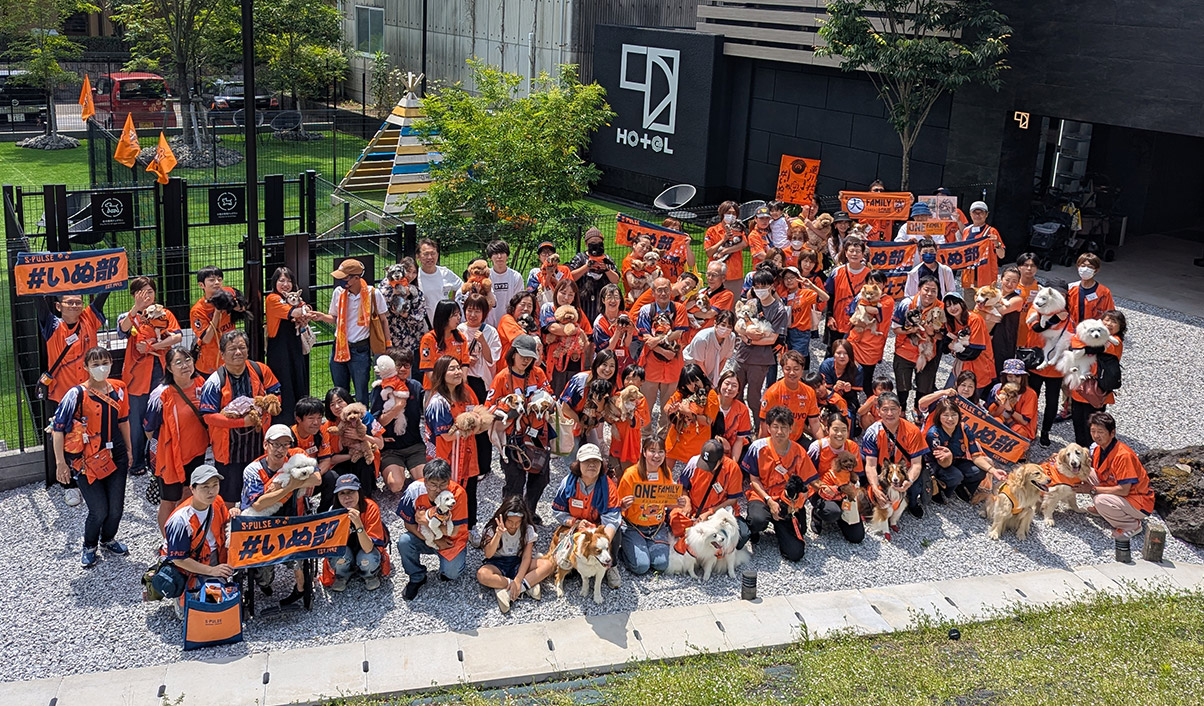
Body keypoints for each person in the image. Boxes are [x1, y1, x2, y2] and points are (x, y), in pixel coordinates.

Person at [52, 346, 132, 567]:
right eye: (95, 364)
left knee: (116, 508)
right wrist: (61, 463)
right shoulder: (75, 394)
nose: (101, 368)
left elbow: (123, 420)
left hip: (115, 454)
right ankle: (89, 545)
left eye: (105, 363)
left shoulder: (119, 389)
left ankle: (108, 539)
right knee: (99, 510)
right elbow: (58, 428)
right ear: (86, 367)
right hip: (86, 459)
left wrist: (129, 449)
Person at [39, 289, 110, 505]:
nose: (75, 306)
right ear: (58, 306)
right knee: (67, 439)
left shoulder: (89, 318)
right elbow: (38, 302)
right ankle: (67, 484)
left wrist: (110, 270)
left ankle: (91, 475)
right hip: (63, 395)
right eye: (69, 303)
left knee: (91, 435)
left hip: (90, 392)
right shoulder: (52, 326)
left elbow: (102, 295)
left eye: (78, 302)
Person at [242, 423, 322, 604]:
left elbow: (316, 478)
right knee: (264, 574)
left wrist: (282, 487)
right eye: (275, 444)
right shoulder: (253, 470)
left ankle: (301, 588)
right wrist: (292, 485)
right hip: (262, 525)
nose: (280, 449)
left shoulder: (297, 456)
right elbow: (260, 504)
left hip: (292, 522)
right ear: (266, 445)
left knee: (299, 557)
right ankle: (263, 581)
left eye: (285, 445)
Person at [199, 330, 281, 503]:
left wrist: (270, 405)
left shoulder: (260, 370)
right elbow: (208, 416)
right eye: (232, 348)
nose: (238, 352)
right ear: (222, 354)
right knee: (229, 498)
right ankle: (228, 528)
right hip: (229, 452)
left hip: (259, 446)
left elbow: (276, 392)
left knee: (261, 494)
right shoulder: (214, 381)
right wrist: (242, 422)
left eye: (242, 347)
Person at [118, 276, 182, 475]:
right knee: (136, 420)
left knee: (159, 416)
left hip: (160, 370)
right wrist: (136, 308)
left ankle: (157, 459)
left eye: (150, 291)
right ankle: (136, 462)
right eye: (142, 292)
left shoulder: (164, 313)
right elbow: (123, 329)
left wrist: (153, 346)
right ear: (134, 294)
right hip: (136, 375)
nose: (147, 296)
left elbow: (177, 336)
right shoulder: (129, 315)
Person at [488, 335, 554, 518]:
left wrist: (547, 403)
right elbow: (489, 407)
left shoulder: (538, 373)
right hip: (513, 439)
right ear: (513, 353)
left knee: (541, 478)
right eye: (522, 355)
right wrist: (509, 413)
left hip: (538, 435)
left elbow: (551, 395)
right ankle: (509, 518)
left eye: (529, 356)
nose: (526, 360)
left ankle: (528, 511)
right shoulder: (502, 377)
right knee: (515, 482)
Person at [145, 345, 208, 534]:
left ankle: (183, 533)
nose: (184, 365)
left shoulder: (201, 384)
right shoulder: (160, 394)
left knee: (189, 493)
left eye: (187, 360)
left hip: (197, 453)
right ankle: (167, 542)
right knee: (169, 499)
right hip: (170, 458)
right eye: (178, 362)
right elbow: (149, 430)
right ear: (169, 368)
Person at [742, 406, 818, 561]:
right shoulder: (757, 447)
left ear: (791, 429)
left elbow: (805, 486)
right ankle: (757, 529)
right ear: (768, 428)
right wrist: (769, 501)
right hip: (763, 495)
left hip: (787, 500)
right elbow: (754, 480)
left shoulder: (799, 452)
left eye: (784, 427)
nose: (779, 432)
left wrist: (793, 505)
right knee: (757, 521)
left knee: (796, 553)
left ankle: (780, 526)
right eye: (775, 427)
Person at [312, 258, 390, 403]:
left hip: (360, 349)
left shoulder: (373, 293)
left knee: (361, 391)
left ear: (356, 278)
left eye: (344, 278)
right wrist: (322, 316)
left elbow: (383, 320)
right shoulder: (339, 292)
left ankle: (362, 422)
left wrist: (388, 344)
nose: (341, 281)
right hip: (339, 347)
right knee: (340, 391)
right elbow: (335, 317)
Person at [162, 465, 236, 609]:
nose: (211, 491)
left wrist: (233, 512)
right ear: (192, 489)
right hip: (189, 566)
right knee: (213, 605)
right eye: (205, 487)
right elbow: (179, 559)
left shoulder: (217, 501)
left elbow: (225, 523)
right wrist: (212, 571)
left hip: (215, 556)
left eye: (215, 485)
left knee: (227, 600)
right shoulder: (180, 521)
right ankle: (183, 599)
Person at [551, 443, 622, 589]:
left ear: (601, 464)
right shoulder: (567, 483)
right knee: (568, 571)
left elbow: (612, 519)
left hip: (599, 528)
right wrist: (574, 522)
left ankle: (610, 565)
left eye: (596, 461)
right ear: (578, 464)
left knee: (616, 533)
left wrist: (601, 541)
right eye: (586, 461)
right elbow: (557, 511)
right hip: (576, 526)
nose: (592, 465)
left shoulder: (608, 487)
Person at [396, 459, 468, 600]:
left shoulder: (458, 494)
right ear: (425, 481)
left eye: (443, 484)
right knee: (404, 541)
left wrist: (426, 522)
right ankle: (417, 576)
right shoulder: (413, 490)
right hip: (425, 536)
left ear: (449, 481)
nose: (438, 489)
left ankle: (446, 569)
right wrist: (435, 541)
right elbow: (408, 525)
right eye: (433, 485)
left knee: (452, 574)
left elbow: (453, 531)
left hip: (451, 541)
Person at [477, 495, 556, 613]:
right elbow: (488, 554)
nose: (513, 525)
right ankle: (525, 584)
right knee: (482, 574)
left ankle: (511, 589)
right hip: (497, 563)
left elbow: (526, 557)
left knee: (548, 565)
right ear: (503, 517)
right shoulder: (493, 528)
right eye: (510, 521)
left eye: (517, 522)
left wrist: (518, 580)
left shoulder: (527, 530)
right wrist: (498, 535)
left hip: (518, 562)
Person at [617, 438, 683, 575]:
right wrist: (622, 505)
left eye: (660, 451)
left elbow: (666, 501)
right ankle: (625, 549)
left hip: (657, 527)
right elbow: (616, 507)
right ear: (644, 452)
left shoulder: (666, 473)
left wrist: (677, 503)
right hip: (633, 526)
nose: (657, 456)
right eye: (652, 451)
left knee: (661, 565)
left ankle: (641, 547)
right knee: (641, 567)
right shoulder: (631, 474)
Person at [1085, 412, 1154, 540]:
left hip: (1138, 500)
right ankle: (1108, 510)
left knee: (1100, 500)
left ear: (1112, 433)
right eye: (1093, 431)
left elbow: (1124, 490)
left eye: (1100, 431)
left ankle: (1131, 525)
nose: (1095, 436)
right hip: (1117, 488)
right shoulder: (1098, 449)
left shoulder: (1123, 455)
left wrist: (1092, 489)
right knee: (1085, 472)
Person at [861, 393, 929, 519]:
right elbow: (870, 465)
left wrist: (909, 480)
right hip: (884, 469)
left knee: (914, 488)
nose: (890, 413)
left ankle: (912, 503)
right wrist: (875, 487)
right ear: (878, 411)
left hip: (904, 469)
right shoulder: (872, 432)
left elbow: (916, 463)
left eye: (893, 409)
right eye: (885, 409)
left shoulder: (913, 431)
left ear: (900, 410)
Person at [732, 269, 789, 420]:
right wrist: (744, 335)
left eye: (763, 286)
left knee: (753, 398)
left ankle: (759, 428)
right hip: (742, 356)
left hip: (760, 360)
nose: (759, 290)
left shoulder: (779, 310)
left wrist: (749, 339)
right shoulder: (751, 303)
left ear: (772, 286)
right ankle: (738, 426)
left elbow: (772, 339)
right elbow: (738, 325)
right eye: (756, 286)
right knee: (734, 394)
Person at [926, 398, 1006, 505]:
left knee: (980, 471)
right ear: (939, 416)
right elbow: (943, 464)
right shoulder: (934, 434)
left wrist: (993, 471)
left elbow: (976, 456)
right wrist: (948, 456)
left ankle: (961, 486)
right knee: (956, 475)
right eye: (945, 415)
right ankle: (941, 488)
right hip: (939, 465)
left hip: (958, 460)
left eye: (954, 415)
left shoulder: (964, 428)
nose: (950, 419)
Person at [672, 439, 749, 548]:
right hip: (694, 510)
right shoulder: (694, 461)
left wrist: (710, 512)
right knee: (674, 521)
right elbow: (682, 487)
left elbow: (732, 500)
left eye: (711, 464)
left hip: (718, 513)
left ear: (721, 459)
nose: (706, 468)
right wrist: (687, 502)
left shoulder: (733, 469)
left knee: (741, 537)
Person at [636, 277, 689, 431]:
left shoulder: (679, 308)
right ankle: (644, 440)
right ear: (653, 292)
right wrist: (663, 351)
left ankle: (662, 441)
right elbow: (646, 338)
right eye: (659, 290)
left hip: (673, 366)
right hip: (651, 365)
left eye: (666, 289)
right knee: (645, 406)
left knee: (669, 407)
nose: (663, 293)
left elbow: (679, 333)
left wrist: (659, 339)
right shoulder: (646, 310)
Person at [322, 474, 391, 592]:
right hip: (346, 549)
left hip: (366, 548)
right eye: (342, 493)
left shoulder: (370, 507)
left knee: (367, 558)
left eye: (351, 492)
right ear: (337, 496)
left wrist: (358, 524)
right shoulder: (333, 512)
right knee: (338, 556)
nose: (347, 497)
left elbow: (369, 548)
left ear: (359, 492)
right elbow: (331, 547)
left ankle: (369, 575)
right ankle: (342, 575)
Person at [370, 349, 426, 492]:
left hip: (414, 445)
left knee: (423, 483)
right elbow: (377, 424)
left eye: (406, 365)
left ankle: (413, 471)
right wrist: (397, 407)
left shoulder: (415, 386)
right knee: (396, 486)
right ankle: (396, 472)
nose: (402, 369)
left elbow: (427, 411)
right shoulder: (380, 389)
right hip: (391, 449)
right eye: (399, 365)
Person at [1068, 309, 1126, 447]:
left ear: (1120, 327)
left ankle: (1094, 454)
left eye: (1114, 321)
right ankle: (1081, 452)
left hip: (1096, 390)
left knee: (1093, 427)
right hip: (1080, 387)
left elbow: (1094, 348)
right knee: (1078, 422)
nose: (1109, 323)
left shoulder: (1115, 342)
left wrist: (1080, 348)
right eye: (1107, 319)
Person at [459, 294, 501, 477]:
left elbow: (493, 360)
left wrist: (483, 341)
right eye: (469, 310)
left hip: (482, 383)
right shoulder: (459, 330)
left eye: (477, 310)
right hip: (463, 381)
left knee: (482, 424)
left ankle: (484, 466)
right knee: (464, 422)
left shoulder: (490, 331)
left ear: (484, 313)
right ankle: (464, 464)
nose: (473, 314)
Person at [807, 411, 865, 543]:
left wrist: (851, 489)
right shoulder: (818, 447)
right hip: (821, 490)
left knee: (857, 537)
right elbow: (808, 475)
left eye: (843, 430)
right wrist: (824, 488)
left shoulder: (852, 446)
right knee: (832, 512)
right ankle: (817, 514)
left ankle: (842, 515)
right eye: (835, 429)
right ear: (827, 429)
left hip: (845, 490)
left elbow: (856, 473)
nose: (839, 434)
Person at [264, 266, 311, 422]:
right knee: (284, 385)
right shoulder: (272, 299)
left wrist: (305, 311)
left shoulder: (293, 298)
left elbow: (306, 308)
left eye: (289, 281)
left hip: (295, 347)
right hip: (279, 351)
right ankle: (284, 422)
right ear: (274, 282)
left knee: (299, 381)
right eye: (281, 280)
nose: (285, 284)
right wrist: (304, 312)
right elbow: (297, 311)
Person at [1026, 286, 1071, 446]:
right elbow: (1036, 327)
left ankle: (1045, 431)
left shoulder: (1068, 314)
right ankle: (1029, 429)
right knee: (1031, 398)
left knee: (1052, 402)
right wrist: (1056, 319)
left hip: (1056, 367)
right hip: (1036, 362)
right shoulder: (1036, 307)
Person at [891, 275, 942, 414]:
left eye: (933, 290)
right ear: (919, 289)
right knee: (902, 385)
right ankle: (901, 410)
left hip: (928, 353)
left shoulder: (941, 308)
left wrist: (931, 333)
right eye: (926, 289)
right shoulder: (906, 304)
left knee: (924, 386)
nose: (929, 294)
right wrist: (912, 330)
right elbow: (895, 328)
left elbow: (943, 334)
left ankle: (917, 410)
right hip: (904, 351)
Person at [559, 350, 619, 453]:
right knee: (572, 455)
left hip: (589, 423)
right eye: (604, 364)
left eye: (612, 366)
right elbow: (565, 407)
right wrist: (581, 423)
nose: (608, 369)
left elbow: (602, 414)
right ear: (596, 365)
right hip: (569, 419)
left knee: (595, 452)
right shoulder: (580, 380)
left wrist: (600, 405)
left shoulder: (611, 385)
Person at [542, 278, 593, 394]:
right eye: (563, 293)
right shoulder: (548, 308)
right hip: (555, 362)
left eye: (570, 295)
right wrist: (575, 330)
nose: (566, 298)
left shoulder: (578, 312)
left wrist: (580, 345)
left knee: (571, 395)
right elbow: (553, 328)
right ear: (556, 292)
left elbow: (589, 334)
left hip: (575, 360)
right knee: (555, 393)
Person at [664, 364, 722, 465]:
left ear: (702, 377)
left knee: (693, 473)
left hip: (697, 441)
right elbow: (666, 408)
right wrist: (672, 409)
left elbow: (708, 421)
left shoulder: (711, 395)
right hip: (677, 438)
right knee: (666, 471)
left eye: (696, 381)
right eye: (689, 383)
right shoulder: (681, 393)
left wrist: (688, 413)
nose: (693, 386)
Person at [943, 290, 995, 398]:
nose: (952, 308)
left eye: (955, 303)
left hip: (979, 367)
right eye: (948, 306)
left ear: (962, 303)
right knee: (947, 396)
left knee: (970, 403)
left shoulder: (974, 319)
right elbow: (944, 347)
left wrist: (954, 350)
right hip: (960, 366)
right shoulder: (951, 322)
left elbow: (973, 352)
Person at [760, 350, 821, 442]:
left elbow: (815, 422)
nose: (792, 373)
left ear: (802, 369)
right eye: (788, 369)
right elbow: (763, 424)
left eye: (796, 369)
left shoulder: (809, 392)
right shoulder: (773, 392)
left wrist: (824, 445)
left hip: (797, 439)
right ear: (782, 370)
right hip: (775, 440)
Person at [288, 395, 336, 509]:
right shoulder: (288, 436)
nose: (316, 422)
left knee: (331, 477)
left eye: (319, 417)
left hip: (312, 474)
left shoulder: (321, 432)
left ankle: (323, 513)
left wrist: (314, 475)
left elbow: (326, 460)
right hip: (292, 478)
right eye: (311, 418)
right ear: (298, 419)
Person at [847, 270, 893, 388]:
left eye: (878, 283)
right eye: (870, 283)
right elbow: (851, 310)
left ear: (884, 284)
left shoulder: (888, 301)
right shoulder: (861, 295)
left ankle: (868, 399)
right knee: (851, 372)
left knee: (867, 376)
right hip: (855, 338)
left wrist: (862, 306)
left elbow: (876, 311)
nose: (874, 286)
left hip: (872, 343)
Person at [568, 227, 621, 324]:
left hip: (602, 304)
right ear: (586, 244)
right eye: (593, 242)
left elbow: (616, 280)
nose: (596, 245)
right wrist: (587, 266)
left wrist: (606, 269)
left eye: (599, 242)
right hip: (583, 304)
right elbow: (570, 277)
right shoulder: (580, 258)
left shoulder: (607, 258)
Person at [189, 266, 235, 377]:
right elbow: (207, 338)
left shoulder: (229, 296)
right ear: (201, 285)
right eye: (211, 280)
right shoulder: (198, 310)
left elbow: (243, 308)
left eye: (219, 279)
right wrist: (217, 311)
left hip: (231, 359)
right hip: (209, 364)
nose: (217, 283)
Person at [823, 235, 870, 345]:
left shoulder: (869, 274)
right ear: (845, 253)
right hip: (838, 321)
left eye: (858, 251)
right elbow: (829, 295)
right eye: (851, 251)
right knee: (834, 353)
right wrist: (829, 316)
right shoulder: (837, 272)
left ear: (863, 254)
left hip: (858, 323)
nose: (854, 254)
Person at [379, 257, 428, 361]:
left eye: (414, 272)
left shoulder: (416, 291)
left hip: (408, 342)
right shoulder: (385, 286)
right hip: (389, 339)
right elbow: (380, 304)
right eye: (408, 271)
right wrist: (394, 293)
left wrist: (406, 315)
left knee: (405, 372)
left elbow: (420, 314)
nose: (410, 275)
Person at [419, 300, 471, 389]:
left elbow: (465, 363)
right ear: (444, 317)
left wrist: (462, 382)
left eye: (459, 314)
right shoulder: (429, 339)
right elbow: (428, 369)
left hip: (456, 388)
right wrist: (444, 388)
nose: (459, 318)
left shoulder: (460, 338)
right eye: (455, 315)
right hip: (434, 388)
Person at [609, 365, 650, 468]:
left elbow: (642, 420)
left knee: (630, 467)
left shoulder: (641, 400)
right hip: (617, 436)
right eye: (627, 378)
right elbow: (610, 416)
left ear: (642, 382)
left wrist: (624, 413)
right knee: (615, 466)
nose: (630, 382)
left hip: (631, 438)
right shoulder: (617, 395)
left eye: (634, 379)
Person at [987, 359, 1039, 440]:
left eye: (1017, 376)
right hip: (1001, 419)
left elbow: (1024, 421)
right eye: (1010, 376)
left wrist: (1009, 409)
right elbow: (990, 415)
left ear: (1023, 378)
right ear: (1005, 377)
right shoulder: (997, 389)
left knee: (1017, 430)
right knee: (995, 422)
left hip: (1021, 427)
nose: (1013, 379)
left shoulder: (1030, 394)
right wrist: (1001, 406)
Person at [704, 201, 748, 296]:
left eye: (734, 214)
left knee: (733, 304)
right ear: (722, 213)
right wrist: (723, 240)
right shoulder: (712, 231)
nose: (731, 215)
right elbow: (709, 253)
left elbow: (744, 244)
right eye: (728, 213)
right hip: (716, 275)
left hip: (735, 274)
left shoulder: (738, 229)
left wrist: (725, 251)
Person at [416, 239, 463, 326]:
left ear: (437, 254)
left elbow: (462, 288)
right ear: (418, 256)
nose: (430, 257)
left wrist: (453, 302)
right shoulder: (415, 276)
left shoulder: (445, 273)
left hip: (444, 326)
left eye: (433, 253)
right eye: (426, 254)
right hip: (423, 327)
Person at [960, 201, 1006, 289]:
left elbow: (1001, 255)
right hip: (969, 277)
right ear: (970, 214)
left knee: (986, 302)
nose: (977, 215)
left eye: (981, 212)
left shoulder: (991, 231)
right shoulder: (966, 231)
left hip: (986, 277)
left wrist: (997, 243)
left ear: (986, 214)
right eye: (975, 212)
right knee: (969, 302)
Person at [683, 309, 737, 383]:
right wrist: (706, 380)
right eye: (723, 325)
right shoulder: (702, 339)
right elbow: (699, 362)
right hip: (692, 370)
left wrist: (715, 376)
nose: (725, 329)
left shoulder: (731, 338)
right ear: (715, 323)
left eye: (729, 326)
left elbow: (724, 359)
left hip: (709, 369)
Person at [593, 283, 636, 373]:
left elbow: (627, 344)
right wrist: (617, 331)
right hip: (605, 363)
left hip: (624, 360)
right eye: (609, 297)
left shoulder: (626, 316)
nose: (613, 301)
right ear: (603, 300)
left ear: (620, 300)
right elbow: (607, 349)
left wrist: (630, 332)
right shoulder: (599, 323)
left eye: (616, 297)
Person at [483, 240, 526, 329]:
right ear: (490, 257)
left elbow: (519, 302)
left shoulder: (516, 277)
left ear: (507, 255)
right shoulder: (485, 277)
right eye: (495, 253)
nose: (499, 257)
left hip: (510, 324)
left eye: (502, 253)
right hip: (488, 324)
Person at [990, 265, 1025, 372]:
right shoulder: (994, 294)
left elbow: (1001, 310)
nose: (1010, 284)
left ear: (1018, 283)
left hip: (1005, 340)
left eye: (1014, 281)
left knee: (999, 371)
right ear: (1001, 279)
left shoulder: (1017, 299)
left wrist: (987, 305)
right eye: (1007, 280)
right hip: (988, 336)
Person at [818, 339, 862, 417]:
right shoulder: (826, 365)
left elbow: (857, 390)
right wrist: (834, 388)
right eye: (838, 353)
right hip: (827, 399)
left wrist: (849, 389)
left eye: (846, 353)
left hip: (848, 399)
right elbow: (823, 388)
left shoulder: (857, 369)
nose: (842, 356)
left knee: (847, 417)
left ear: (850, 354)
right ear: (833, 354)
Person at [715, 369, 752, 462]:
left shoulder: (742, 410)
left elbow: (739, 440)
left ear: (738, 391)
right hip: (713, 445)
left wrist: (733, 463)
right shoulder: (711, 403)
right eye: (727, 383)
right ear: (719, 385)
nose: (730, 388)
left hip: (735, 447)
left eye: (734, 386)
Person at [1068, 253, 1115, 324]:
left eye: (1090, 267)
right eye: (1083, 266)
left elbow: (1110, 314)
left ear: (1096, 270)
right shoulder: (1070, 288)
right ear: (1078, 267)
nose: (1085, 269)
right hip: (1072, 329)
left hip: (1093, 331)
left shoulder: (1104, 292)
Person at [498, 291, 539, 359]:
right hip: (508, 367)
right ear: (514, 306)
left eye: (529, 306)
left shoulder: (531, 324)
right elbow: (522, 341)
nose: (526, 309)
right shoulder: (506, 319)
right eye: (522, 305)